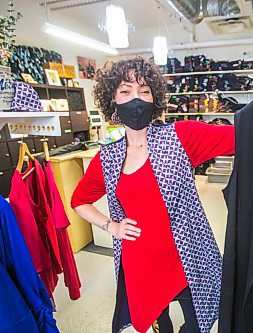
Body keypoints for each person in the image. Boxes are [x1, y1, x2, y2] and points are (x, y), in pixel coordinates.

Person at [71, 57, 234, 333]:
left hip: (187, 259)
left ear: (154, 98)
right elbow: (79, 201)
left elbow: (242, 134)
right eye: (125, 90)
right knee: (161, 326)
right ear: (113, 102)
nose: (136, 98)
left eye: (144, 90)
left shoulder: (180, 137)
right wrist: (111, 226)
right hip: (142, 265)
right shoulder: (108, 158)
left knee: (197, 324)